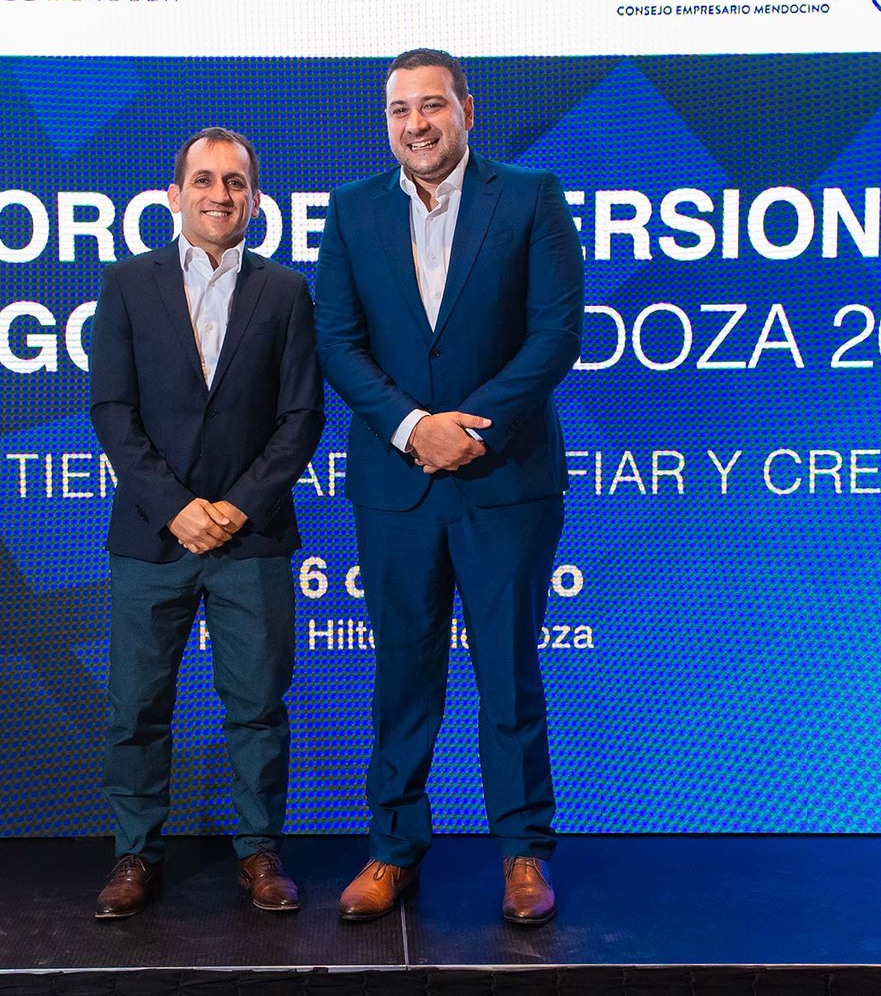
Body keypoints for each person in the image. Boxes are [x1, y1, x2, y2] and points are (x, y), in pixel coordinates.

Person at [314, 49, 584, 925]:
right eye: (400, 109)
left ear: (469, 108)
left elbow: (555, 334)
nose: (416, 124)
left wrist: (471, 429)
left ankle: (523, 854)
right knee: (403, 672)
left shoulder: (531, 196)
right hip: (396, 483)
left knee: (508, 672)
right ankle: (393, 848)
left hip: (505, 480)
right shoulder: (352, 210)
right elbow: (337, 341)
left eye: (432, 105)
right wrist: (412, 427)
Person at [88, 127, 324, 919]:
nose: (219, 195)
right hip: (152, 535)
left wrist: (237, 505)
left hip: (250, 537)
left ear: (255, 199)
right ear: (174, 194)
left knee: (257, 707)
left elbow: (301, 416)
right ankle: (134, 854)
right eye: (204, 180)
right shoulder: (128, 283)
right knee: (136, 708)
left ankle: (259, 852)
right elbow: (112, 410)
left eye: (235, 182)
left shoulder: (285, 291)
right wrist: (177, 507)